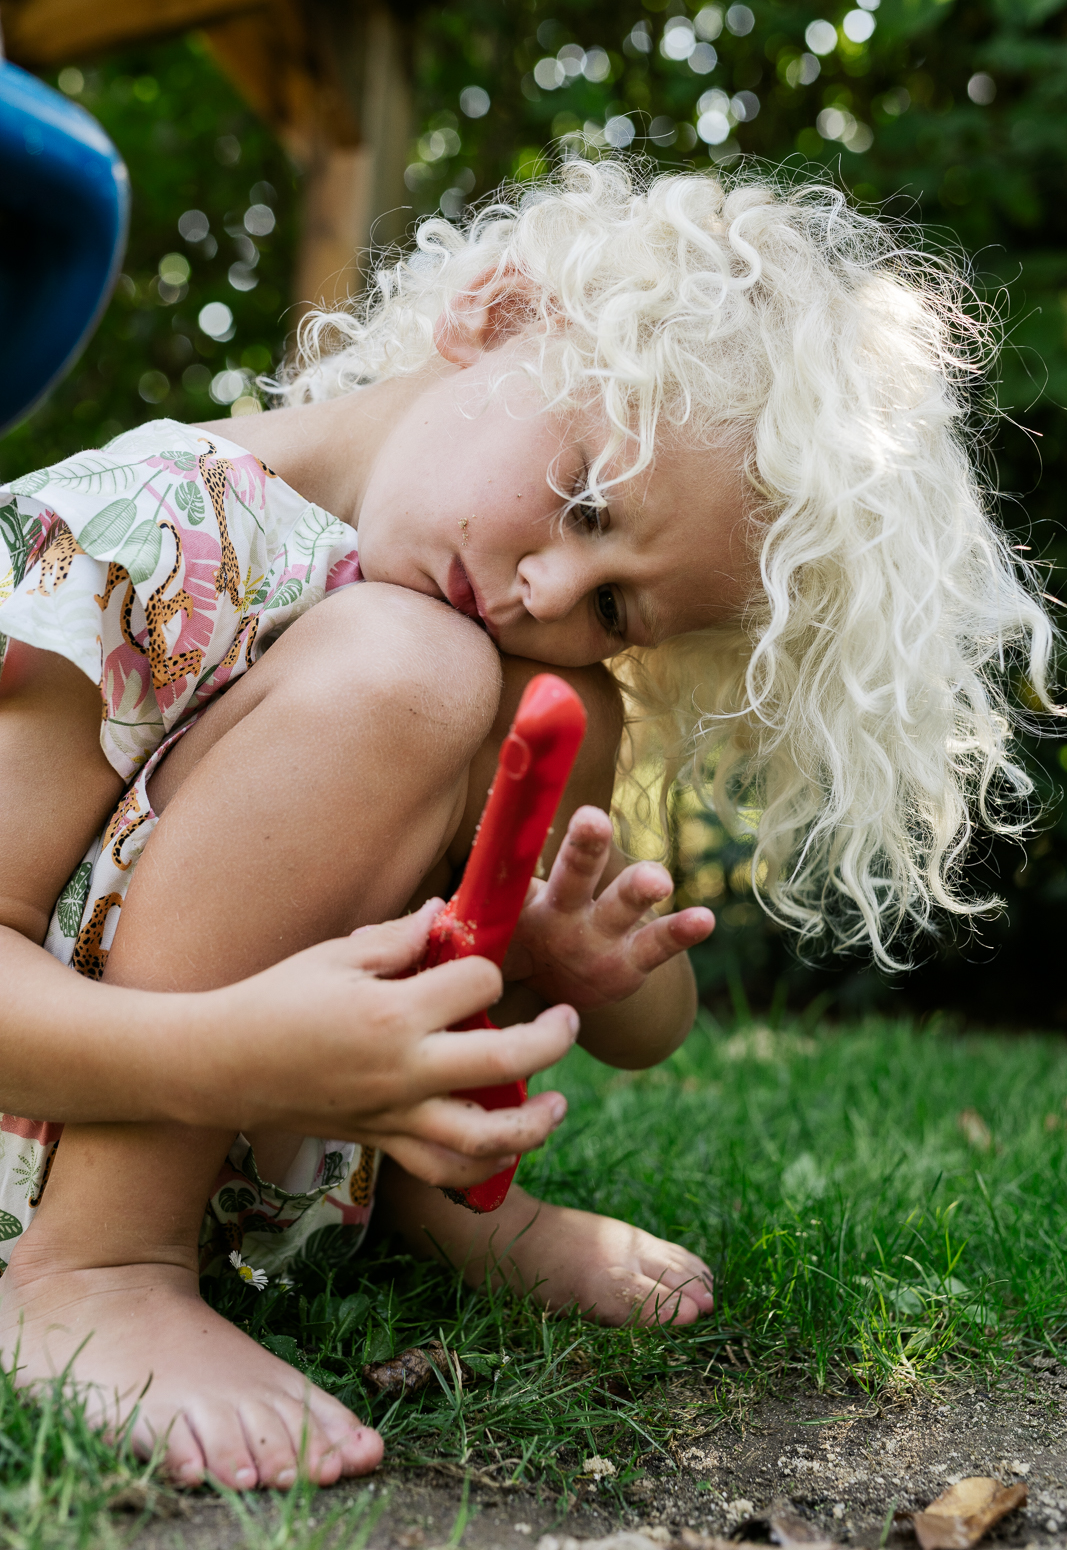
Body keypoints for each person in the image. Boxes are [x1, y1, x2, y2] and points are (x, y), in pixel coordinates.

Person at [0, 158, 1052, 1491]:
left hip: (247, 1112)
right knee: (411, 667)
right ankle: (95, 1264)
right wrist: (225, 1047)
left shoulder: (513, 659)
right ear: (493, 319)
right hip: (50, 1103)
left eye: (618, 608)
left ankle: (432, 1213)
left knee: (538, 707)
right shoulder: (134, 536)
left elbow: (649, 1025)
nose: (551, 591)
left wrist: (567, 956)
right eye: (587, 504)